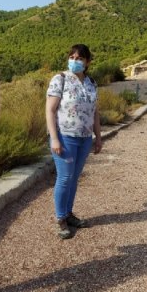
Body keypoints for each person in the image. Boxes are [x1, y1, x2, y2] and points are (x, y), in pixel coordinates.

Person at [46, 43, 102, 239]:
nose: (74, 61)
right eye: (72, 57)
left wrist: (98, 137)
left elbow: (94, 112)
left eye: (79, 58)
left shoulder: (91, 83)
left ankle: (69, 214)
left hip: (84, 138)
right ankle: (60, 218)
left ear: (87, 62)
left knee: (74, 177)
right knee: (65, 177)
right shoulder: (60, 79)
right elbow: (50, 110)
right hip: (65, 137)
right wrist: (54, 138)